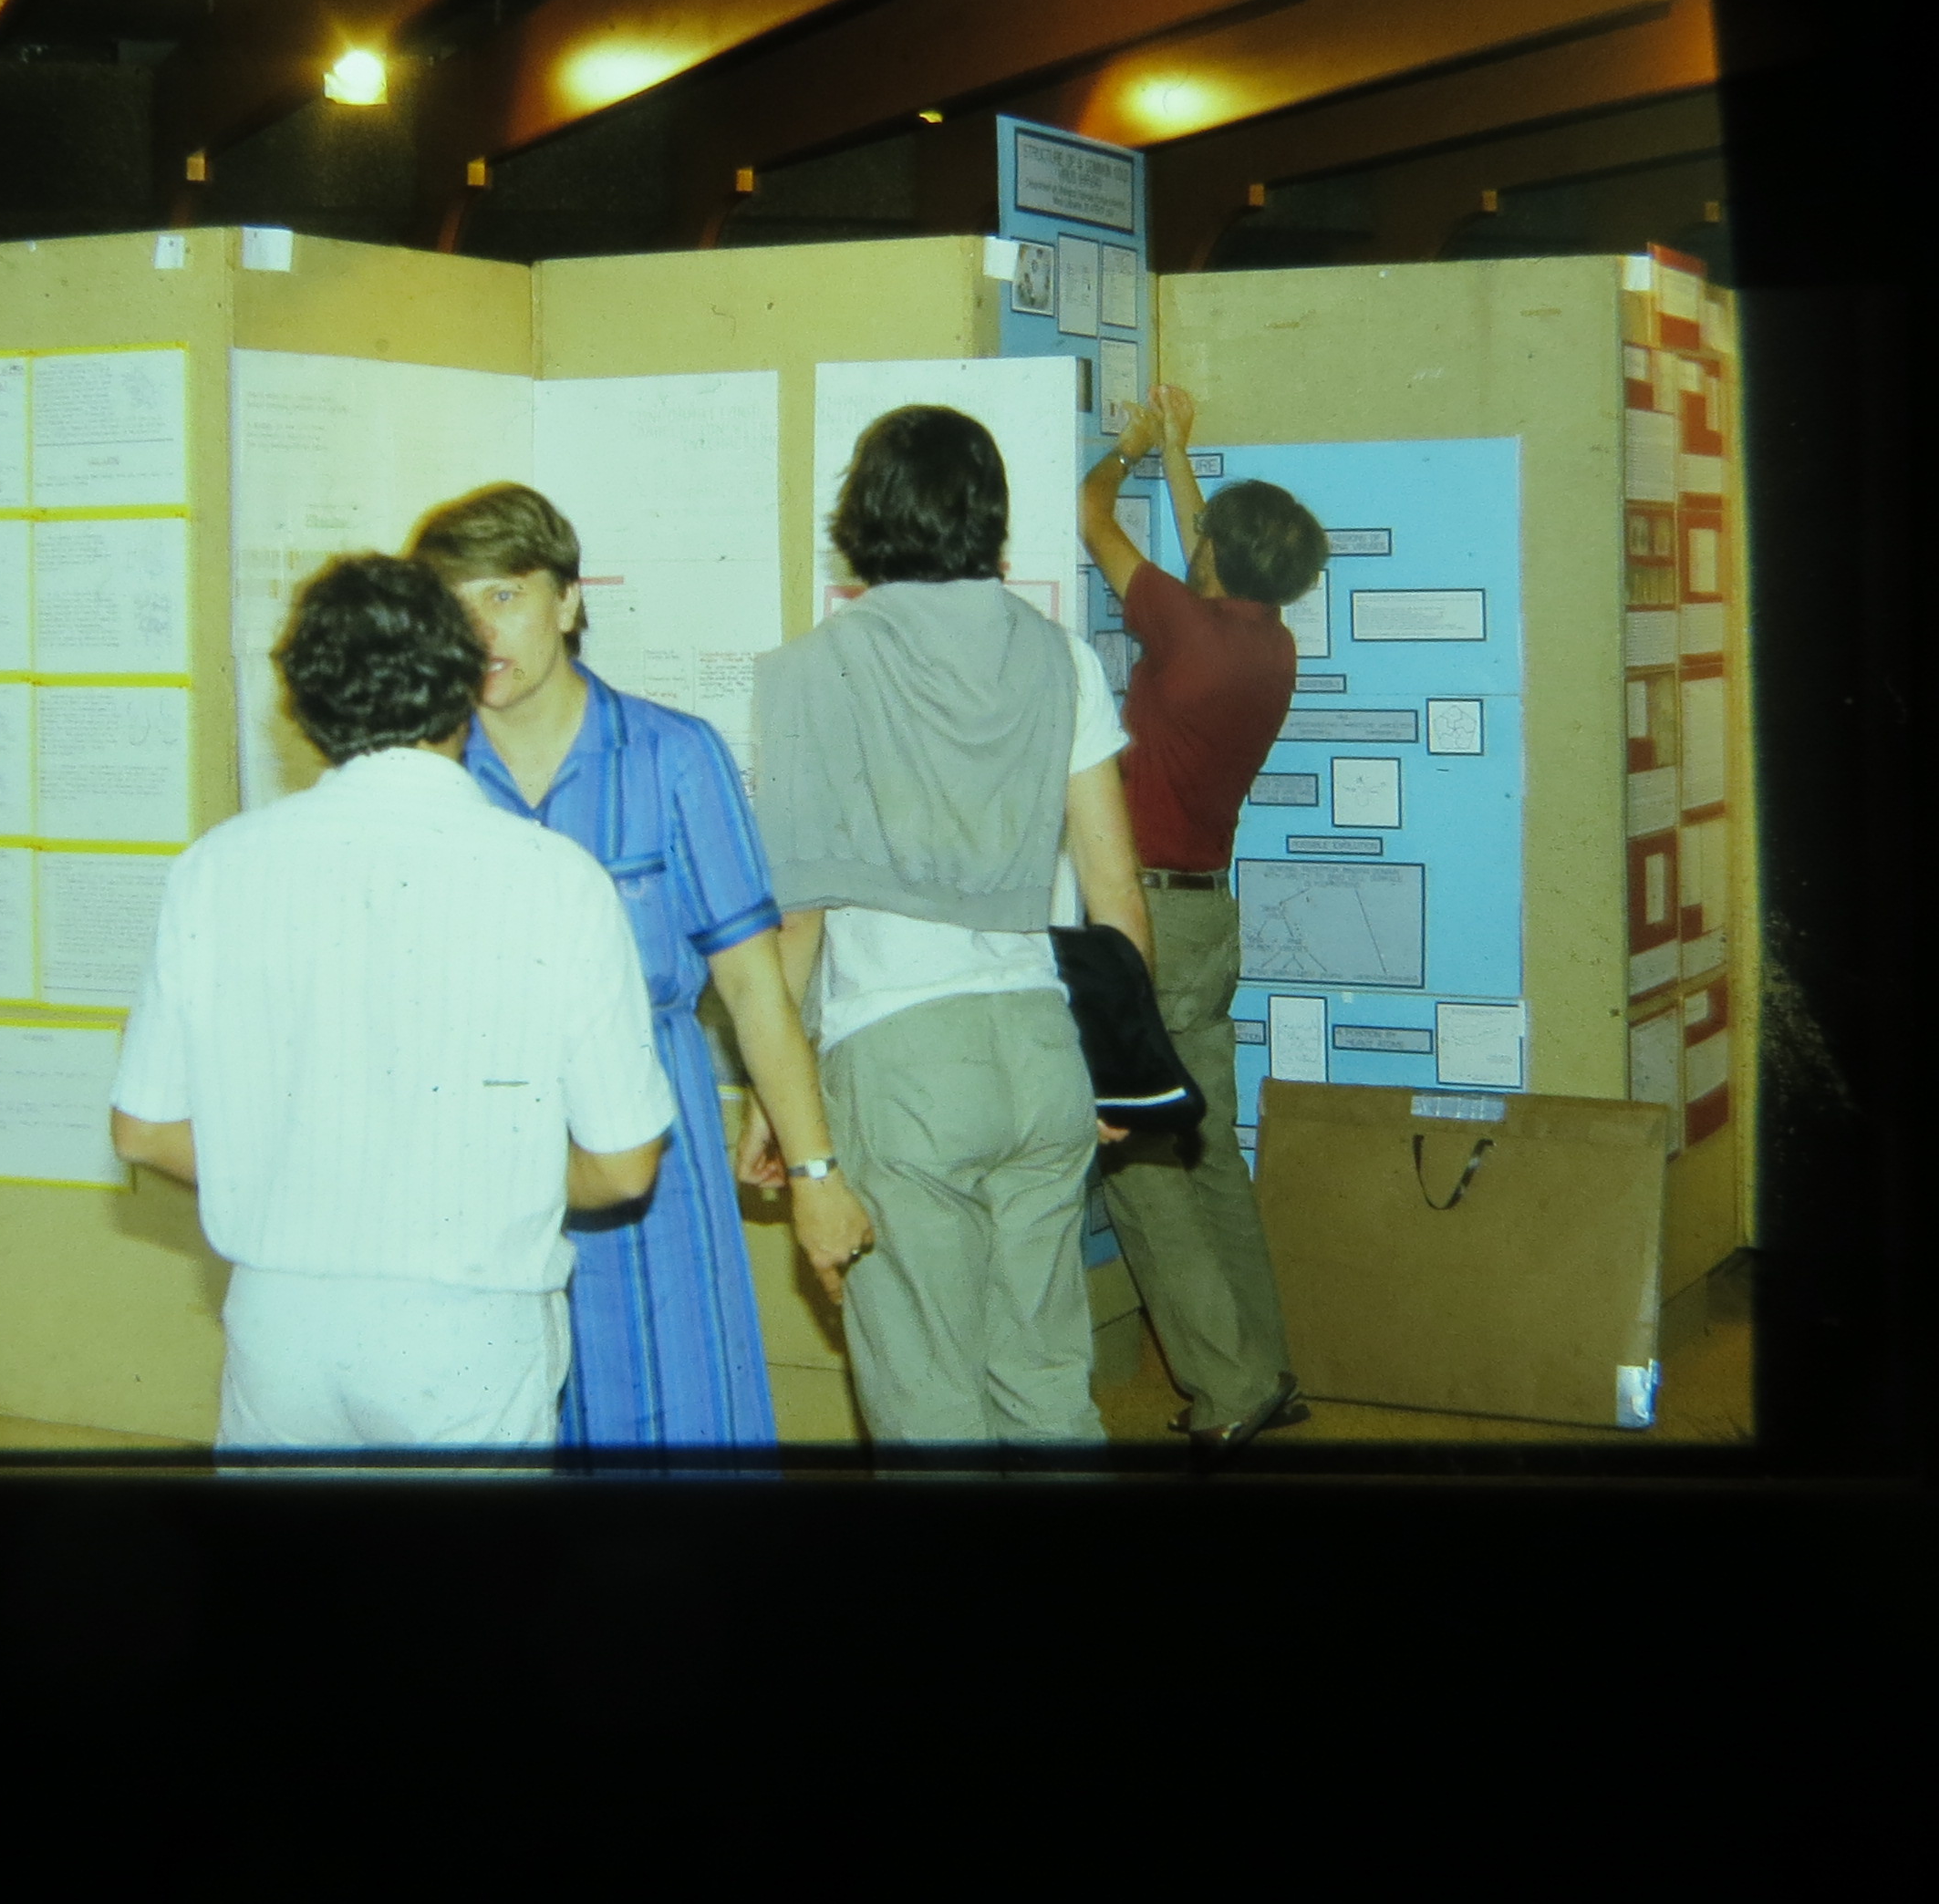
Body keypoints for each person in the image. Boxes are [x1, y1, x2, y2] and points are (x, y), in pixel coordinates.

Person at [106, 553, 675, 1458]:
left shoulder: (217, 867)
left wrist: (308, 1178)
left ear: (302, 701)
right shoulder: (554, 879)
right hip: (469, 1325)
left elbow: (144, 1131)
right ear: (466, 681)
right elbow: (623, 1165)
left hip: (279, 1321)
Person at [408, 484, 873, 1457]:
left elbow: (754, 990)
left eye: (504, 596)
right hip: (478, 1146)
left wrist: (816, 1173)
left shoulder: (673, 757)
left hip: (650, 1145)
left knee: (672, 1428)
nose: (479, 632)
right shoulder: (425, 779)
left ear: (568, 600)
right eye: (454, 606)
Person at [751, 405, 1155, 1451]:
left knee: (928, 1404)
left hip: (902, 1065)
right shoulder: (1061, 657)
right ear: (989, 514)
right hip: (1041, 1048)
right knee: (1047, 1390)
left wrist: (773, 1102)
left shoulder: (814, 669)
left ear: (863, 514)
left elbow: (796, 925)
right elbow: (1116, 890)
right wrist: (1118, 1066)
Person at [1077, 385, 1330, 1453]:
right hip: (1208, 918)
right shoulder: (1268, 644)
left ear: (1216, 558)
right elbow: (1203, 546)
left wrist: (1130, 447)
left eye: (1204, 539)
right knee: (1206, 1154)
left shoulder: (1189, 630)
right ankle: (1264, 1368)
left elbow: (1091, 513)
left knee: (1140, 1158)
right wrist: (1181, 453)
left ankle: (1225, 1388)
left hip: (1146, 921)